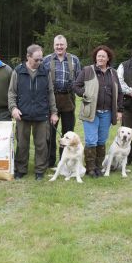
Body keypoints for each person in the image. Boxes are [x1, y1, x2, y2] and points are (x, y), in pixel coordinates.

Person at [8, 44, 59, 180]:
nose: (39, 62)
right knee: (22, 144)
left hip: (41, 114)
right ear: (28, 57)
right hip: (22, 115)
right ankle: (21, 169)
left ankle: (40, 170)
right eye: (36, 59)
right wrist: (13, 108)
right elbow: (12, 93)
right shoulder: (17, 71)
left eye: (41, 59)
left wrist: (54, 112)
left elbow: (50, 93)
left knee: (41, 144)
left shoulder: (45, 71)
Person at [73, 45, 123, 177]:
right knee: (91, 140)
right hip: (91, 112)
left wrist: (119, 110)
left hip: (107, 113)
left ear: (108, 58)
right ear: (95, 57)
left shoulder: (113, 73)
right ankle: (90, 168)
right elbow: (76, 86)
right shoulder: (88, 70)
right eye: (98, 56)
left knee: (101, 140)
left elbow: (120, 93)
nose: (100, 58)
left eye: (103, 56)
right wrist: (85, 93)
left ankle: (98, 167)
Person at [43, 35, 81, 167]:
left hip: (68, 98)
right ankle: (50, 161)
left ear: (66, 45)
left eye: (61, 45)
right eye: (57, 45)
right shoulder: (46, 60)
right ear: (53, 45)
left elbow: (79, 80)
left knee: (68, 132)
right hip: (51, 99)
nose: (59, 47)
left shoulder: (74, 59)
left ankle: (64, 161)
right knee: (50, 132)